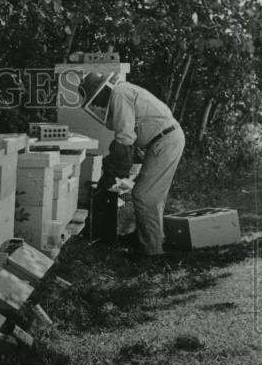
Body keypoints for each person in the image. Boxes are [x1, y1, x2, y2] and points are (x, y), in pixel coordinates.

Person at [78, 72, 186, 256]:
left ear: (102, 90)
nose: (96, 105)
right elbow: (125, 140)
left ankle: (152, 252)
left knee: (144, 196)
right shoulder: (122, 92)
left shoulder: (119, 94)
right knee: (151, 196)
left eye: (95, 99)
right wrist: (113, 170)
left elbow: (125, 139)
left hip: (165, 142)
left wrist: (110, 173)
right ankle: (149, 238)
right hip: (163, 141)